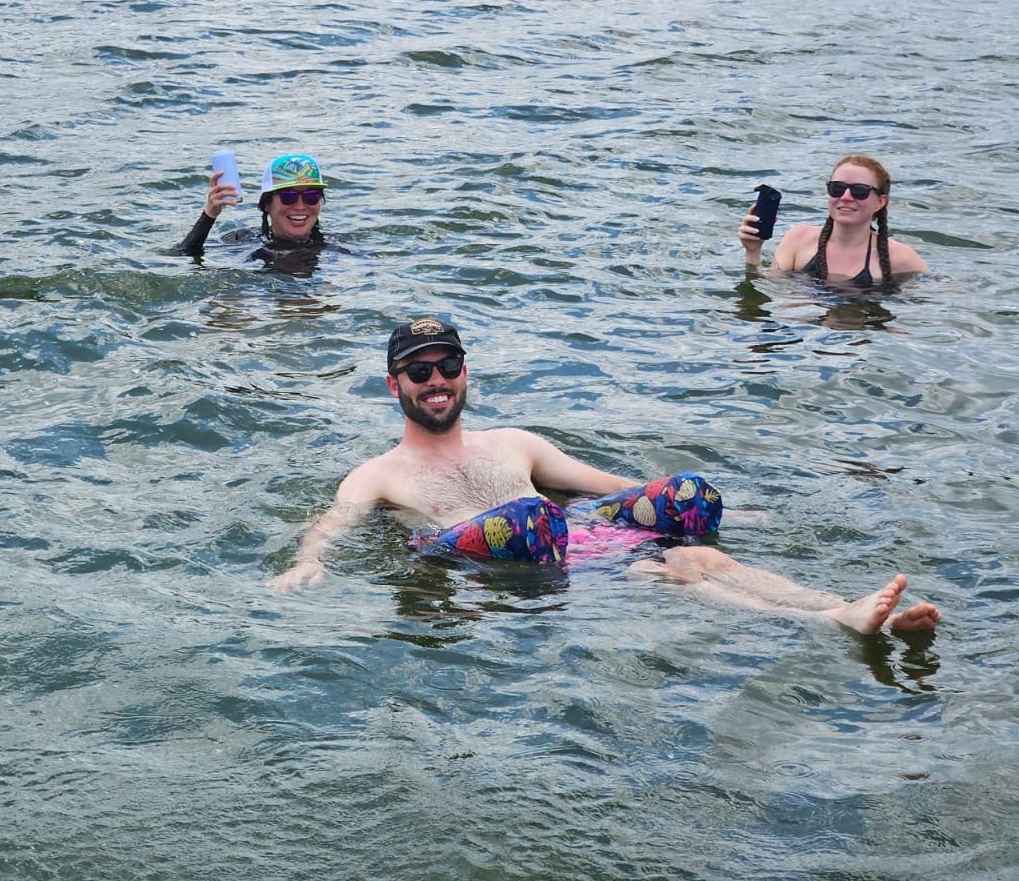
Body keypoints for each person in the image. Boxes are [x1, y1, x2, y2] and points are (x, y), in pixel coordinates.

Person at [269, 317, 940, 637]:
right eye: (420, 371)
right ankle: (834, 620)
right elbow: (332, 524)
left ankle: (839, 610)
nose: (436, 381)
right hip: (499, 562)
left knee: (694, 531)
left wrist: (731, 514)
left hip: (578, 543)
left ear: (465, 373)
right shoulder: (379, 473)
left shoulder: (514, 443)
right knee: (613, 551)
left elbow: (612, 488)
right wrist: (308, 561)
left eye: (448, 367)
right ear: (395, 386)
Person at [738, 155, 928, 285]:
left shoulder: (901, 258)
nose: (846, 197)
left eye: (859, 191)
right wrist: (753, 251)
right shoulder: (798, 239)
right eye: (837, 188)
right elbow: (771, 291)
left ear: (881, 201)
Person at [174, 152, 334, 263]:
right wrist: (209, 215)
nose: (300, 206)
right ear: (266, 204)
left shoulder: (334, 247)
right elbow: (182, 255)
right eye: (288, 196)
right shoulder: (243, 240)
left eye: (311, 196)